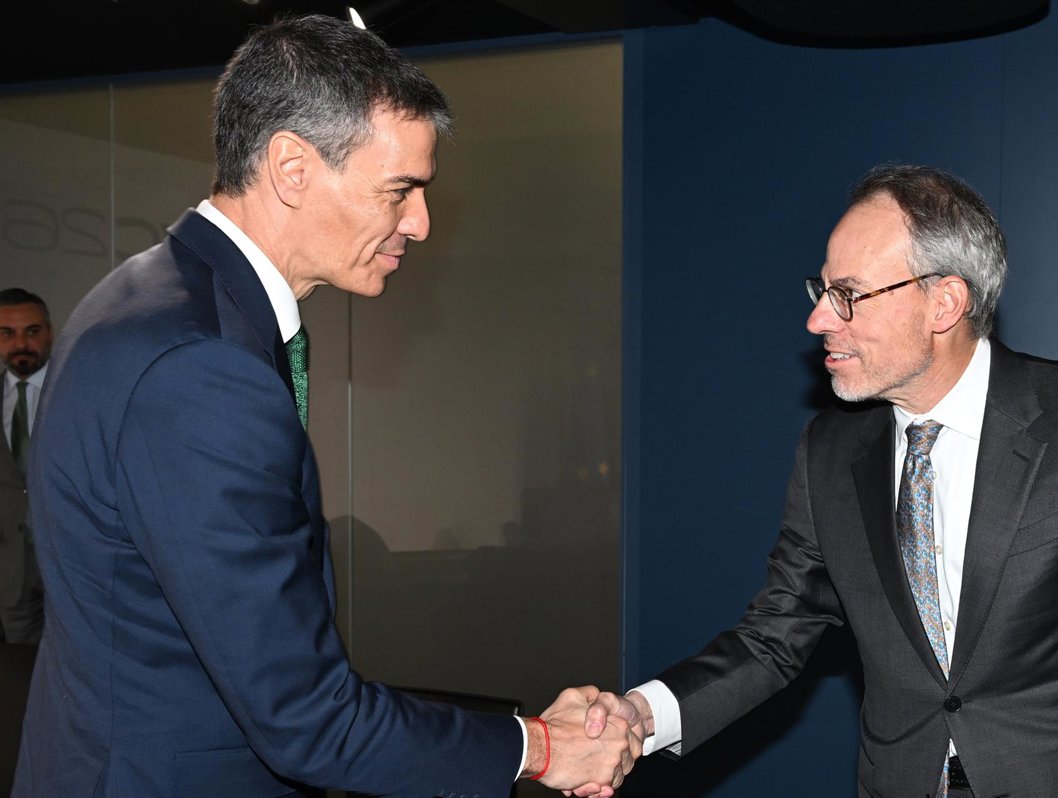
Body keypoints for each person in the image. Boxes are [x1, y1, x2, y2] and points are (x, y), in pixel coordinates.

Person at [14, 15, 636, 798]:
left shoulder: (147, 295)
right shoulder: (201, 367)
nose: (420, 223)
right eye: (399, 190)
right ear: (292, 169)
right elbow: (305, 718)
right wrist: (541, 747)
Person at [586, 164, 1058, 797]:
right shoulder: (830, 451)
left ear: (945, 303)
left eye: (848, 294)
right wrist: (640, 715)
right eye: (821, 290)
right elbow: (775, 634)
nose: (818, 320)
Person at [0, 288, 50, 645]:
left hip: (69, 565)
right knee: (18, 670)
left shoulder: (76, 391)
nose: (21, 344)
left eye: (32, 331)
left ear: (49, 332)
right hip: (9, 573)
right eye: (7, 333)